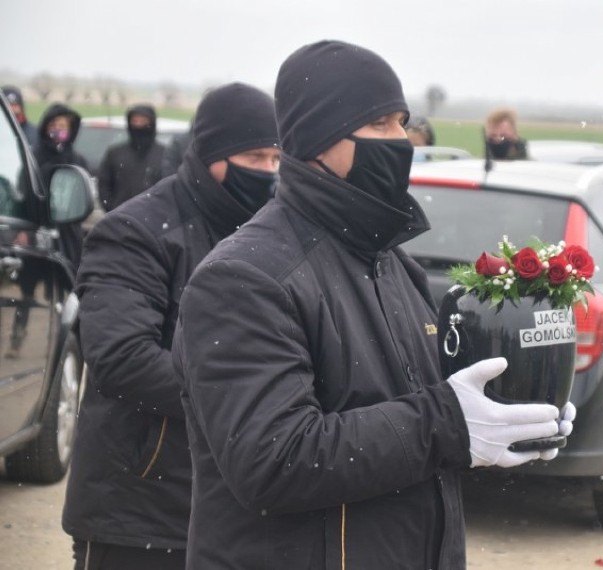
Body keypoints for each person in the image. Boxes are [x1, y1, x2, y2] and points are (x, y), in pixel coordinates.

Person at [172, 40, 575, 569]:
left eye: (401, 123)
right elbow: (274, 459)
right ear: (318, 138)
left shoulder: (391, 262)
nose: (400, 141)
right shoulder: (244, 278)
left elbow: (428, 416)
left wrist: (506, 414)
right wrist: (447, 425)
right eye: (379, 125)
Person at [61, 82, 280, 570]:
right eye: (253, 156)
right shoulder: (135, 231)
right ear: (209, 153)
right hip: (138, 506)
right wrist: (246, 398)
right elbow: (122, 358)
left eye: (275, 159)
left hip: (231, 509)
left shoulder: (265, 235)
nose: (266, 172)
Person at [32, 103, 90, 272]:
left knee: (69, 271)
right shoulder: (35, 156)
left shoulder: (77, 159)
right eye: (53, 125)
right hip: (40, 226)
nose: (57, 129)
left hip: (69, 228)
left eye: (62, 126)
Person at [97, 104, 166, 212]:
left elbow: (170, 187)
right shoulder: (115, 153)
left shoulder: (164, 154)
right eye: (135, 121)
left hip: (154, 219)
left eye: (143, 121)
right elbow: (104, 185)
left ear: (152, 123)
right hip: (120, 217)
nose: (138, 125)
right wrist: (112, 209)